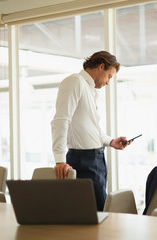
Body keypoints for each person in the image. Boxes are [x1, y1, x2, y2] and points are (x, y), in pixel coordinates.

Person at [51, 51, 131, 211]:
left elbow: (89, 128)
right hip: (83, 161)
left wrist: (111, 141)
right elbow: (61, 120)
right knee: (92, 214)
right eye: (109, 76)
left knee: (99, 211)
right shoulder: (75, 82)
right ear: (101, 66)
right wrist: (59, 159)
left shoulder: (89, 89)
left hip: (96, 160)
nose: (108, 82)